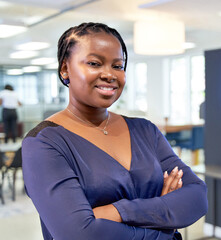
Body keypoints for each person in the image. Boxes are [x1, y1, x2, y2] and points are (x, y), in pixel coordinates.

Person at [22, 22, 208, 240]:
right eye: (94, 63)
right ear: (65, 69)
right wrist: (165, 221)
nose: (109, 74)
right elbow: (80, 235)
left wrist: (117, 212)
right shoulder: (44, 142)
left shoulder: (145, 130)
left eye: (118, 66)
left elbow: (197, 196)